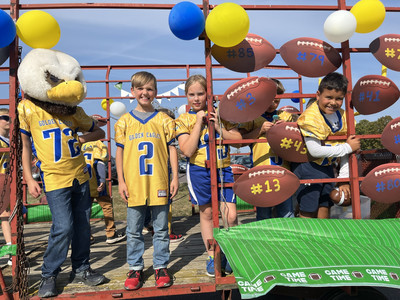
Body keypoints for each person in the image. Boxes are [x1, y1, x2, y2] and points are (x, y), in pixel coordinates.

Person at [18, 93, 106, 298]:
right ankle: (49, 274)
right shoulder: (28, 108)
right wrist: (30, 179)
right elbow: (24, 145)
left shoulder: (72, 110)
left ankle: (81, 268)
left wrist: (81, 138)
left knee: (83, 225)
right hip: (54, 177)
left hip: (79, 175)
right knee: (63, 226)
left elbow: (99, 131)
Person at [115, 71, 177, 290]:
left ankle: (160, 266)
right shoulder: (124, 121)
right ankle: (135, 267)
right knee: (133, 229)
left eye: (149, 89)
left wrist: (175, 177)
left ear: (156, 92)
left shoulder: (164, 120)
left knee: (161, 229)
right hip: (134, 182)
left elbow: (172, 150)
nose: (145, 92)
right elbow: (120, 153)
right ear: (132, 91)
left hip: (159, 180)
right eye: (140, 88)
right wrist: (121, 181)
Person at [175, 74, 241, 277]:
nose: (196, 98)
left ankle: (232, 253)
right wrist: (198, 123)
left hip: (223, 169)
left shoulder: (223, 115)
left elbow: (238, 141)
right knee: (206, 213)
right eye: (191, 94)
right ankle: (212, 255)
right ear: (186, 96)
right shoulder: (183, 119)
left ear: (208, 94)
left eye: (200, 93)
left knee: (230, 214)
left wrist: (219, 127)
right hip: (199, 171)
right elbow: (187, 150)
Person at [292, 72, 361, 219]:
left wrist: (343, 179)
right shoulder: (311, 116)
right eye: (329, 97)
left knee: (325, 205)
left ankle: (322, 241)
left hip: (328, 167)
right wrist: (347, 147)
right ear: (318, 95)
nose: (333, 102)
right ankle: (306, 241)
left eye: (339, 99)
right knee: (308, 210)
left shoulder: (343, 115)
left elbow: (346, 151)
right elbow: (315, 151)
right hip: (309, 167)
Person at [239, 79, 296, 220]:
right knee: (264, 213)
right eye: (268, 100)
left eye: (276, 101)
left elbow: (297, 140)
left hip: (284, 172)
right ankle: (263, 241)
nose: (272, 104)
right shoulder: (252, 117)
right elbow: (239, 141)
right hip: (261, 172)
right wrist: (259, 130)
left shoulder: (286, 116)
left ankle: (288, 240)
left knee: (286, 211)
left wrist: (287, 129)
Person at [81, 134, 126, 244]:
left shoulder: (81, 145)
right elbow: (99, 164)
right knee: (107, 207)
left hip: (85, 182)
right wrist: (101, 179)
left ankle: (86, 236)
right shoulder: (98, 145)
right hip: (97, 182)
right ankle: (111, 234)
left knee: (85, 210)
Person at [157, 107, 183, 243]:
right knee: (166, 201)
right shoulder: (165, 135)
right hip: (162, 169)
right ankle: (167, 231)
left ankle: (154, 227)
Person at [0, 108, 12, 266]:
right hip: (1, 180)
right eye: (4, 117)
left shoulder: (10, 140)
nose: (8, 121)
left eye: (10, 118)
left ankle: (10, 254)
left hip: (6, 182)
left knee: (6, 217)